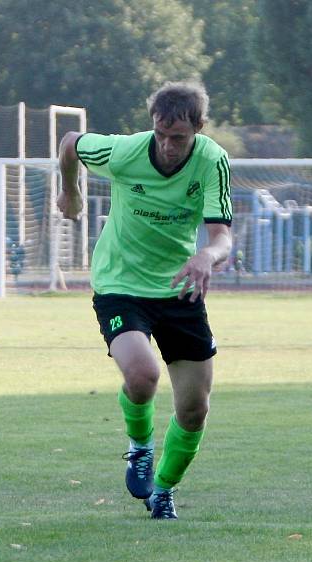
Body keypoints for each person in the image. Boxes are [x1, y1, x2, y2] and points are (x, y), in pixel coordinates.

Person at [57, 82, 232, 519]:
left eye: (179, 138)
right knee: (142, 374)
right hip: (121, 283)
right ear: (152, 125)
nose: (169, 146)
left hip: (179, 287)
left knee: (194, 409)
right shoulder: (124, 152)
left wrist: (206, 256)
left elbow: (222, 237)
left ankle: (164, 491)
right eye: (161, 134)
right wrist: (72, 192)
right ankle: (139, 446)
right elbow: (70, 143)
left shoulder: (212, 160)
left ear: (199, 129)